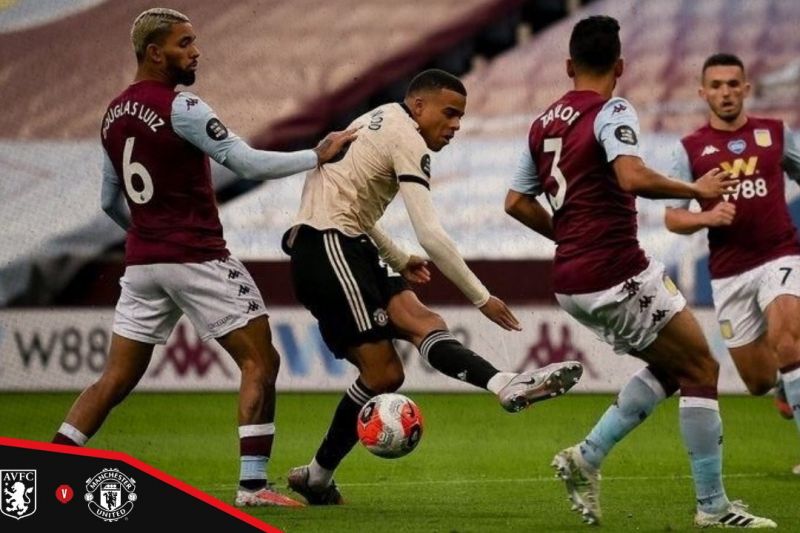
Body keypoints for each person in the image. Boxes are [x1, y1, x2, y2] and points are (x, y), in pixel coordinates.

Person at [50, 8, 356, 508]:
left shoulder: (113, 113)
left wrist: (148, 237)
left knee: (114, 379)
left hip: (143, 264)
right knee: (261, 360)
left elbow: (108, 201)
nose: (196, 52)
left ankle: (50, 469)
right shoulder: (182, 107)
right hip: (196, 256)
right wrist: (316, 156)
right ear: (154, 52)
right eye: (184, 43)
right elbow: (245, 162)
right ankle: (252, 488)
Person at [505, 16, 775, 528]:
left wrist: (567, 237)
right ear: (621, 66)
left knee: (677, 367)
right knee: (702, 369)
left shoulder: (542, 123)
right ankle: (712, 507)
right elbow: (630, 176)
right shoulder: (611, 110)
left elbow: (516, 201)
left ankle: (587, 457)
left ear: (568, 66)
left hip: (573, 279)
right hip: (614, 271)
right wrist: (696, 190)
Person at [282, 68, 584, 505]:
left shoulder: (379, 119)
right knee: (384, 374)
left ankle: (504, 383)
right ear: (418, 106)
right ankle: (316, 475)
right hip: (327, 245)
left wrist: (397, 259)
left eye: (461, 116)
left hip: (347, 242)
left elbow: (349, 203)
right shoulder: (407, 137)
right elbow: (430, 234)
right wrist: (481, 297)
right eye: (450, 113)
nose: (456, 125)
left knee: (425, 322)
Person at [665, 52, 800, 475]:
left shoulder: (776, 134)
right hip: (728, 273)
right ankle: (785, 385)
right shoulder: (689, 149)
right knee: (758, 381)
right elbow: (673, 217)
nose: (725, 92)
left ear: (746, 88)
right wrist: (706, 217)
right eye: (717, 85)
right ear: (703, 93)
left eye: (732, 84)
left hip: (780, 254)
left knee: (788, 339)